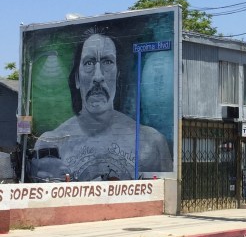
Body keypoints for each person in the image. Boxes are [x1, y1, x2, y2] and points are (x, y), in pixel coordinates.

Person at [30, 27, 172, 181]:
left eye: (107, 62)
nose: (98, 76)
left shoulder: (152, 142)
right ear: (77, 78)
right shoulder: (51, 143)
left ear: (117, 76)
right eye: (89, 63)